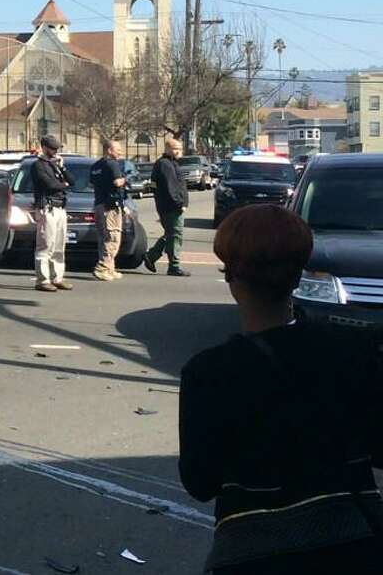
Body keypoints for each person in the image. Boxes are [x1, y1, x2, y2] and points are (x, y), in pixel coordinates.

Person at [179, 205, 383, 574]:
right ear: (297, 276)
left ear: (232, 277)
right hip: (355, 546)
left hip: (252, 554)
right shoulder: (354, 349)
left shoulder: (209, 373)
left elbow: (200, 481)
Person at [31, 134, 73, 293]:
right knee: (46, 245)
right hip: (47, 207)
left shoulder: (55, 165)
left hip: (60, 207)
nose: (55, 151)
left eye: (57, 148)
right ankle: (43, 279)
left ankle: (57, 277)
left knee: (59, 245)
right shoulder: (38, 165)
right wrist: (64, 184)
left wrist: (63, 167)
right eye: (52, 148)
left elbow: (72, 181)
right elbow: (49, 185)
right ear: (44, 148)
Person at [144, 137, 189, 276]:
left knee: (171, 234)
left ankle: (151, 256)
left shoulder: (172, 164)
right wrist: (179, 204)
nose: (179, 151)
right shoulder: (165, 164)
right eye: (176, 149)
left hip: (170, 206)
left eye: (180, 149)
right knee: (175, 235)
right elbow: (171, 188)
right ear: (168, 149)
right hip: (170, 207)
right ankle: (174, 266)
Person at [90, 138, 127, 282]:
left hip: (98, 204)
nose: (120, 152)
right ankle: (102, 267)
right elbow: (117, 182)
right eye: (118, 150)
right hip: (111, 206)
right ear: (109, 150)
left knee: (103, 237)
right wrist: (125, 179)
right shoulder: (112, 164)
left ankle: (110, 268)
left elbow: (92, 184)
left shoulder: (95, 166)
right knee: (113, 237)